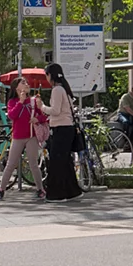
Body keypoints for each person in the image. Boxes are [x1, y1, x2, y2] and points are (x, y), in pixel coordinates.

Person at [41, 63, 83, 202]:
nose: (46, 78)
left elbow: (55, 111)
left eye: (46, 75)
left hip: (61, 129)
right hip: (67, 128)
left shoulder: (57, 90)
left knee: (57, 162)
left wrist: (42, 107)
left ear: (50, 75)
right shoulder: (64, 88)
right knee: (65, 162)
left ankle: (57, 194)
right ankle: (72, 191)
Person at [1, 82, 47, 201]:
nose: (27, 84)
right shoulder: (12, 102)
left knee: (34, 164)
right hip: (17, 136)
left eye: (27, 82)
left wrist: (37, 118)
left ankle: (40, 189)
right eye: (23, 83)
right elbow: (12, 116)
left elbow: (44, 116)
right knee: (11, 164)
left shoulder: (33, 100)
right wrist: (20, 102)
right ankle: (1, 189)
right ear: (16, 87)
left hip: (31, 136)